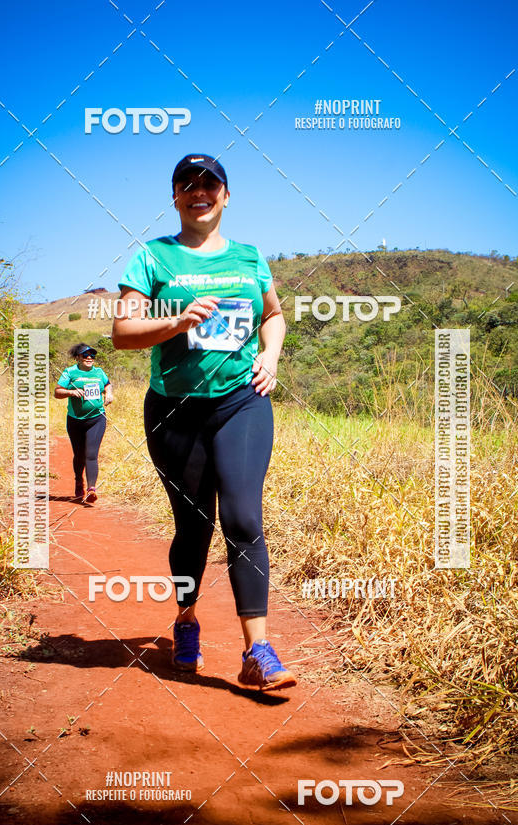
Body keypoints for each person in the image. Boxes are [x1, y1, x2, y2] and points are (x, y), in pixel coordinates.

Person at [112, 153, 296, 691]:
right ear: (174, 197)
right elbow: (123, 333)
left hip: (241, 402)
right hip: (174, 410)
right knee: (194, 525)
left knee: (243, 518)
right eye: (187, 185)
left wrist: (271, 356)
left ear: (226, 195)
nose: (199, 192)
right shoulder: (153, 256)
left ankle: (257, 650)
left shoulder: (249, 257)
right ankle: (187, 620)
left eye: (209, 184)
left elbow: (273, 315)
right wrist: (176, 321)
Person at [54, 343, 113, 503]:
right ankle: (79, 480)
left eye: (92, 355)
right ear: (78, 357)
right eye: (85, 355)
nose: (89, 357)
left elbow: (107, 384)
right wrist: (71, 392)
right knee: (79, 455)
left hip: (97, 418)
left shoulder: (99, 372)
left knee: (91, 454)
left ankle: (91, 489)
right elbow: (57, 392)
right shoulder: (70, 372)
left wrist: (109, 393)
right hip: (75, 421)